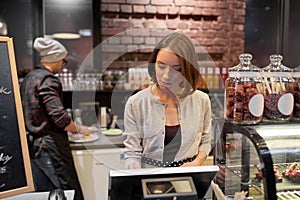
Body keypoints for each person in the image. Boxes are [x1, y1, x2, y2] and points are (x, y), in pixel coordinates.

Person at [123, 32, 212, 169]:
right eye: (161, 66)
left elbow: (206, 140)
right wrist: (135, 171)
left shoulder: (201, 100)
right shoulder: (136, 103)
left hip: (189, 177)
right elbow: (132, 152)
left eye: (177, 69)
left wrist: (197, 162)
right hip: (149, 177)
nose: (166, 76)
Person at [20, 37, 91, 200]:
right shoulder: (48, 79)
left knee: (47, 192)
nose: (62, 66)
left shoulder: (29, 78)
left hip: (34, 146)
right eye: (64, 61)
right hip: (51, 146)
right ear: (57, 59)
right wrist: (80, 129)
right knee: (66, 192)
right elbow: (59, 118)